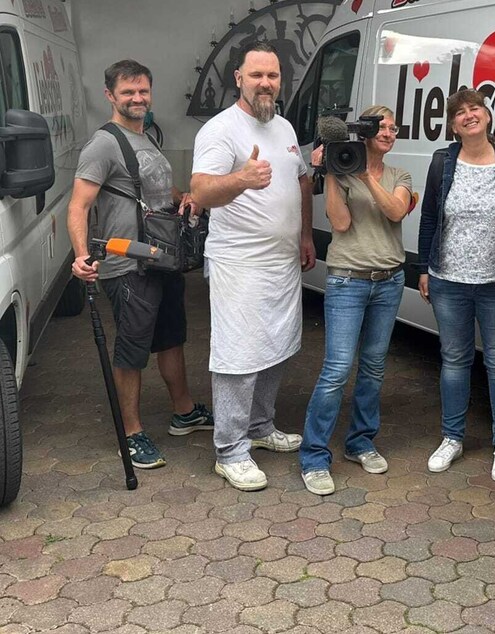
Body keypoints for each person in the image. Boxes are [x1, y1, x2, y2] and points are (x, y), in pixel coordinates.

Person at [68, 59, 213, 470]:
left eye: (143, 91)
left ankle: (184, 412)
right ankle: (130, 434)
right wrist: (81, 256)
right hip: (126, 263)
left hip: (161, 259)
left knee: (170, 337)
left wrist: (183, 196)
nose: (137, 98)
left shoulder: (145, 137)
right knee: (132, 349)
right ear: (110, 95)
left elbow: (153, 190)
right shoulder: (103, 143)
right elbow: (78, 206)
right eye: (128, 91)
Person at [191, 42, 316, 492]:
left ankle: (260, 428)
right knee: (238, 353)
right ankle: (229, 450)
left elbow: (300, 179)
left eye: (274, 75)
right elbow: (201, 191)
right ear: (239, 79)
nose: (266, 83)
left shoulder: (282, 125)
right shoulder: (220, 130)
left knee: (278, 344)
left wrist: (304, 234)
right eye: (257, 75)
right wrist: (241, 180)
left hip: (281, 261)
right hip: (239, 262)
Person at [299, 106, 413, 496]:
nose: (388, 132)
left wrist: (365, 174)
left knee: (374, 367)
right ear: (364, 132)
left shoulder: (400, 175)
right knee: (336, 369)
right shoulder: (341, 171)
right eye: (381, 126)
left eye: (393, 127)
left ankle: (360, 442)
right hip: (348, 281)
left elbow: (397, 209)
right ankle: (314, 456)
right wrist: (332, 170)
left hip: (389, 282)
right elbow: (342, 223)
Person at [417, 89, 495, 482]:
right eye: (459, 113)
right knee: (455, 361)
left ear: (488, 115)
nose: (468, 116)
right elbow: (429, 216)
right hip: (449, 281)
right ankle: (452, 438)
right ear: (453, 124)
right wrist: (424, 267)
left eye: (474, 108)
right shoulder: (443, 162)